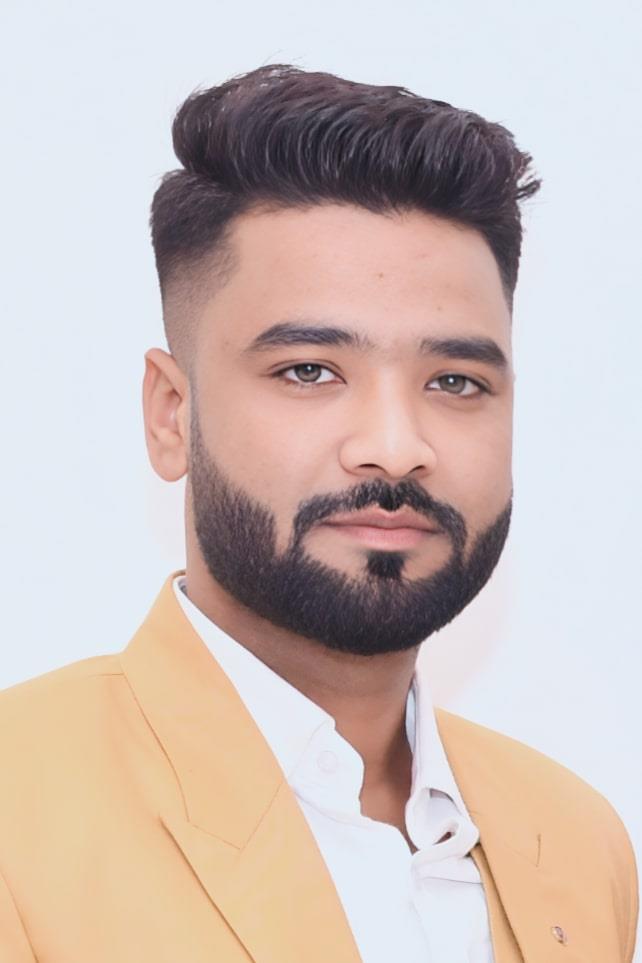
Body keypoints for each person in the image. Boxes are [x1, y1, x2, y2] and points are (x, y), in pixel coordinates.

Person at [0, 64, 637, 963]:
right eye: (309, 370)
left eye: (456, 381)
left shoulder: (575, 839)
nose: (396, 446)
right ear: (172, 414)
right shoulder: (21, 815)